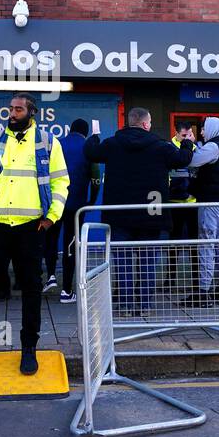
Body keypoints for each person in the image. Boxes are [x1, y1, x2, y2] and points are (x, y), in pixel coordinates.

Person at [0, 93, 69, 376]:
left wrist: (52, 216)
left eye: (17, 109)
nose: (11, 113)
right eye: (10, 109)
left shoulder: (49, 143)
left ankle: (29, 348)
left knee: (31, 289)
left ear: (31, 113)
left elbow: (61, 181)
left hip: (31, 226)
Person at [83, 108, 193, 314]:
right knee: (148, 261)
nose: (150, 125)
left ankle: (124, 305)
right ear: (144, 124)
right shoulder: (161, 146)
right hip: (152, 213)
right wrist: (187, 140)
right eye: (149, 122)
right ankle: (143, 306)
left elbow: (91, 153)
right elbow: (183, 159)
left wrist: (94, 138)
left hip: (119, 214)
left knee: (122, 261)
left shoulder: (112, 144)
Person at [183, 117, 219, 306]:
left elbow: (192, 162)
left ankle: (203, 292)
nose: (202, 133)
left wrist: (190, 145)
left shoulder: (212, 147)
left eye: (204, 129)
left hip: (210, 201)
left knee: (206, 245)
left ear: (213, 129)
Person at [48, 118, 96, 305]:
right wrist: (91, 199)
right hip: (76, 205)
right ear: (85, 132)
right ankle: (67, 290)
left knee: (51, 238)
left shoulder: (57, 144)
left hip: (55, 202)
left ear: (69, 129)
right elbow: (96, 178)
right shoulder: (87, 147)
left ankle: (50, 276)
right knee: (70, 244)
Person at [166, 120, 198, 285]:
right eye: (184, 136)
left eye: (189, 135)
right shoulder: (169, 148)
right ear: (176, 133)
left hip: (192, 202)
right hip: (174, 202)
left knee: (194, 242)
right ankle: (170, 278)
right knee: (174, 241)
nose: (187, 138)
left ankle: (195, 278)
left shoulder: (195, 147)